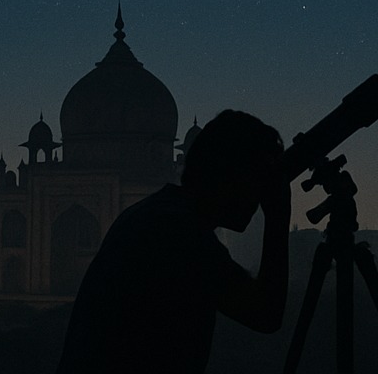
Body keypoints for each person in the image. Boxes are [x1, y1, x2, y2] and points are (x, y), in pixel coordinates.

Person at [56, 109, 290, 374]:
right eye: (257, 178)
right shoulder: (176, 232)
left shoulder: (157, 215)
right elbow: (265, 313)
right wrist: (279, 215)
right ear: (229, 175)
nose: (260, 192)